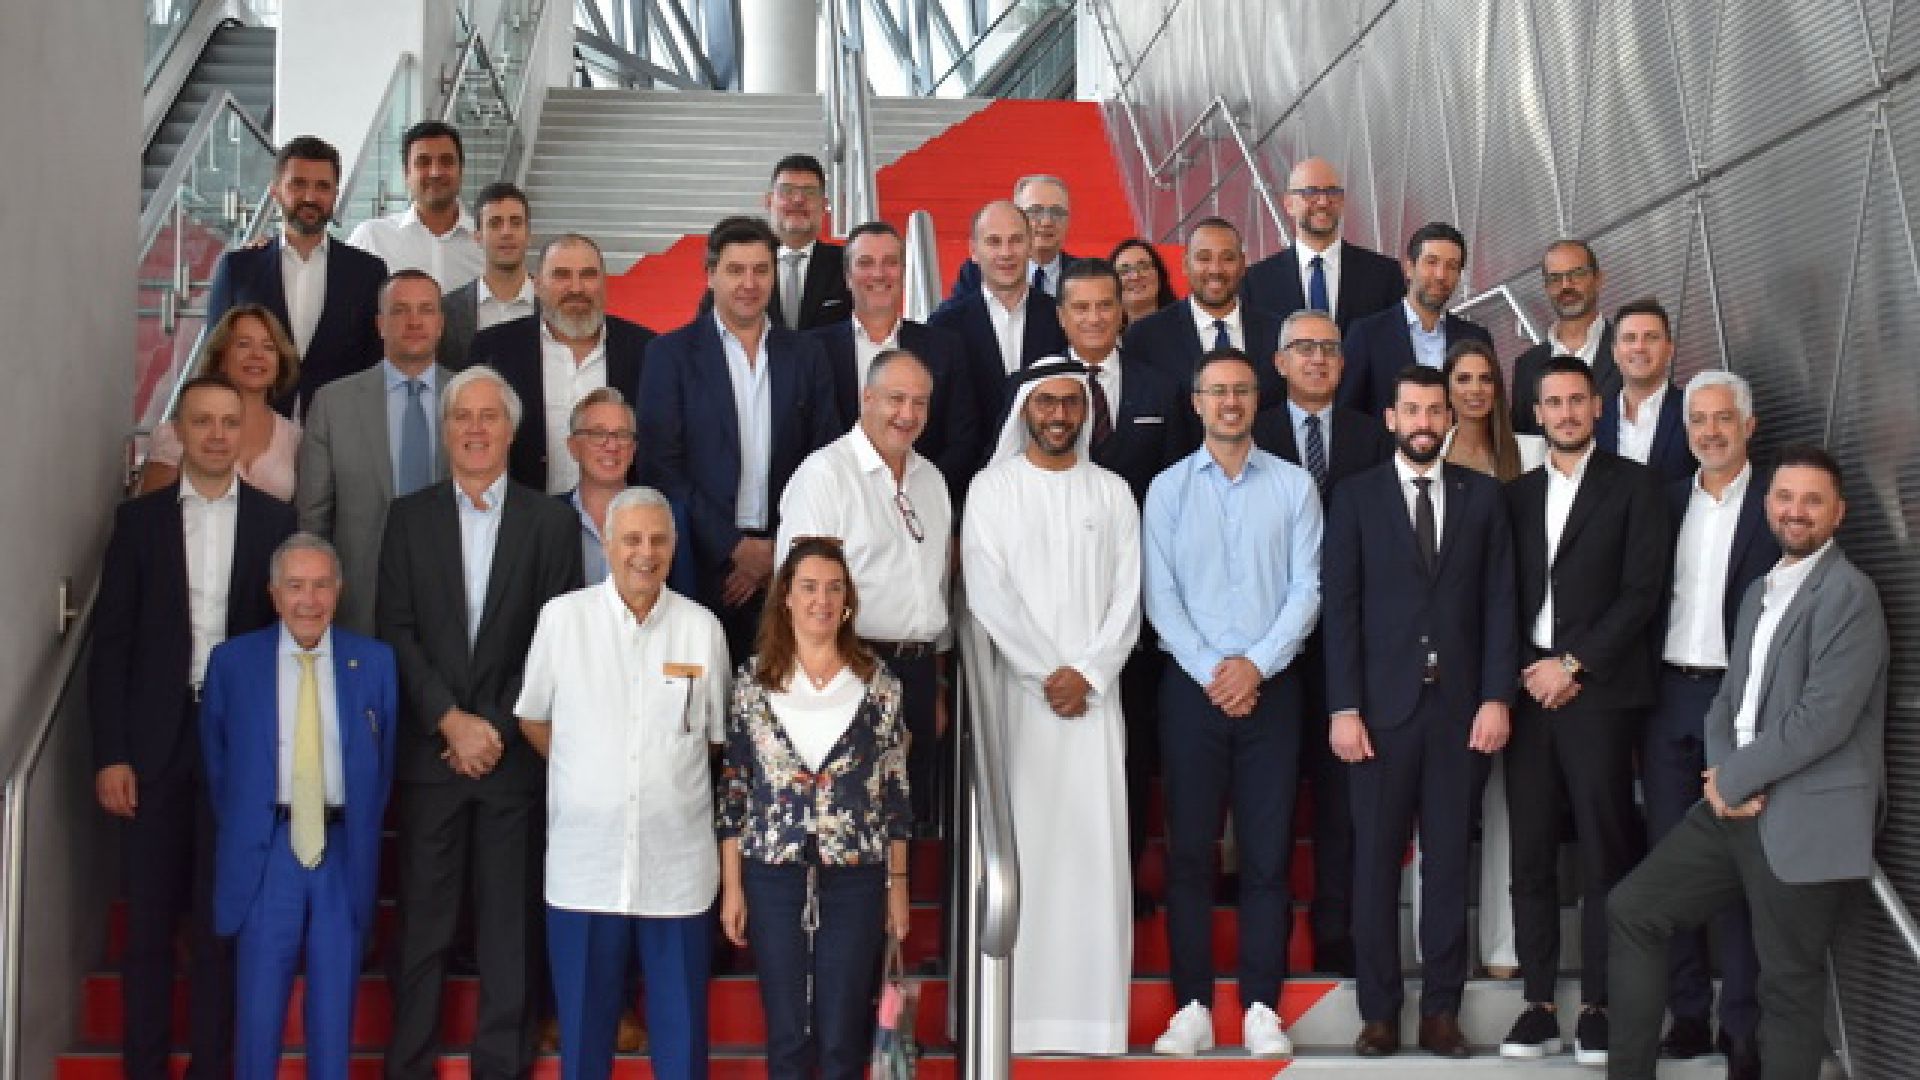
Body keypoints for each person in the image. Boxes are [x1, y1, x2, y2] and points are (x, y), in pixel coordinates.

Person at [1609, 445, 1887, 1080]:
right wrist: (1721, 778)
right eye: (1785, 498)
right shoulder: (1761, 590)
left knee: (1787, 984)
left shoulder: (1850, 595)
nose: (1796, 511)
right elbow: (1728, 701)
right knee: (1634, 910)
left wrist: (1735, 778)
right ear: (1767, 505)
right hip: (1732, 808)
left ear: (1838, 513)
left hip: (1803, 818)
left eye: (1812, 501)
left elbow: (1822, 719)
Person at [377, 365, 583, 1080]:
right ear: (445, 430)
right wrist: (448, 720)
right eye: (462, 416)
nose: (474, 428)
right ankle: (408, 1066)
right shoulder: (408, 518)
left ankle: (502, 1066)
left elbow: (553, 641)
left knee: (508, 931)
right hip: (432, 755)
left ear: (512, 430)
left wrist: (490, 727)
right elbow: (396, 631)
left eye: (489, 416)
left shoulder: (550, 523)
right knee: (421, 929)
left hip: (511, 755)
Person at [91, 376, 297, 1080]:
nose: (215, 434)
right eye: (202, 421)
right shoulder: (138, 523)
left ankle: (213, 1067)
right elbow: (110, 646)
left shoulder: (277, 523)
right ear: (178, 431)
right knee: (148, 925)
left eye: (228, 422)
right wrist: (111, 754)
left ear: (243, 433)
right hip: (153, 741)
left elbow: (289, 648)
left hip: (238, 746)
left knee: (221, 920)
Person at [1321, 365, 1517, 1059]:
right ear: (1392, 419)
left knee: (1448, 868)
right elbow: (1340, 609)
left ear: (1451, 419)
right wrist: (1344, 707)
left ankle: (1441, 1013)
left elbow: (1501, 603)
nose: (1425, 422)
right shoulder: (1354, 497)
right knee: (1375, 865)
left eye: (1436, 410)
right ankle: (1378, 1014)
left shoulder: (1483, 497)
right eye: (1413, 410)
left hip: (1459, 713)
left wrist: (1496, 696)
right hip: (1378, 714)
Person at [517, 487, 730, 1080]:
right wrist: (587, 770)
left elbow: (714, 737)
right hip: (586, 868)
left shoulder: (702, 629)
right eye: (632, 539)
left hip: (676, 871)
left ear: (674, 547)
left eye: (658, 540)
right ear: (607, 545)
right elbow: (533, 717)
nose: (645, 552)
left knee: (682, 1049)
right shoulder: (563, 620)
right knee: (584, 1047)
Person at [1143, 348, 1321, 1060]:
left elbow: (1306, 589)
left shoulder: (1294, 486)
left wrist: (1255, 666)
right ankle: (1190, 1006)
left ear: (1257, 400)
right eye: (1217, 391)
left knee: (1268, 855)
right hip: (1191, 691)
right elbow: (1160, 595)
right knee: (1189, 853)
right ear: (1197, 402)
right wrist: (1215, 672)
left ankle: (1260, 1006)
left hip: (1273, 690)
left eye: (1242, 391)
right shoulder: (1166, 490)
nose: (1229, 403)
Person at [962, 360, 1140, 1054]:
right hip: (1019, 704)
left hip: (1094, 706)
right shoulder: (992, 490)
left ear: (1086, 412)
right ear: (1024, 412)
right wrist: (1046, 674)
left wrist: (1087, 675)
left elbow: (1128, 598)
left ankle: (1093, 1024)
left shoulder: (1113, 492)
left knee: (1093, 858)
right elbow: (988, 595)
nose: (1059, 414)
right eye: (1046, 403)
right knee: (1028, 856)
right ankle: (1019, 1019)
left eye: (1071, 402)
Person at [1500, 354, 1670, 1066]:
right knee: (1531, 852)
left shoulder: (1636, 486)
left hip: (1598, 694)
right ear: (1536, 413)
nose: (1566, 413)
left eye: (1577, 400)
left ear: (1596, 407)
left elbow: (1641, 593)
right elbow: (1500, 595)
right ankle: (1538, 1003)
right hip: (1528, 693)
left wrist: (1571, 666)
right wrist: (1529, 669)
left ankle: (1600, 1005)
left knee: (1606, 851)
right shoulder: (1515, 496)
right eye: (1554, 403)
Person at [200, 533, 397, 1080]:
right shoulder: (233, 663)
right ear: (273, 593)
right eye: (295, 586)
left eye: (320, 585)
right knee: (258, 1018)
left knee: (334, 1020)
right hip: (267, 854)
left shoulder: (374, 662)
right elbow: (219, 764)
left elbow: (381, 768)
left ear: (339, 590)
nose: (308, 600)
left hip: (341, 852)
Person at [718, 536, 912, 1079]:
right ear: (786, 597)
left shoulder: (878, 685)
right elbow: (734, 791)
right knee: (787, 1035)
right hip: (772, 874)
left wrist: (898, 887)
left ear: (847, 600)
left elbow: (896, 795)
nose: (820, 601)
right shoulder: (753, 682)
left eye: (833, 588)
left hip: (855, 876)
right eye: (808, 588)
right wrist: (732, 885)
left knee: (841, 1038)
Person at [1639, 370, 1775, 1072]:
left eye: (1723, 418)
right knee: (1673, 861)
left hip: (1741, 702)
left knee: (1739, 866)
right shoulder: (1665, 503)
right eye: (1698, 420)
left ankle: (1742, 1026)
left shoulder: (1774, 503)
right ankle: (1687, 1013)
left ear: (1748, 426)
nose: (1710, 432)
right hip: (1668, 697)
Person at [1249, 309, 1392, 976]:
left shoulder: (1373, 437)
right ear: (1279, 362)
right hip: (1268, 647)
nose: (1316, 359)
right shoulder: (1251, 433)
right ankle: (1266, 929)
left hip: (1351, 647)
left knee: (1343, 801)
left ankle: (1336, 926)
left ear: (1343, 362)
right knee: (1270, 796)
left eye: (1329, 349)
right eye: (1302, 348)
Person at [637, 215, 842, 661]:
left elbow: (825, 459)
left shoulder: (807, 355)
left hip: (786, 569)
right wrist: (734, 548)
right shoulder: (669, 355)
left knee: (781, 696)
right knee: (699, 692)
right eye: (735, 270)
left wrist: (777, 551)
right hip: (699, 564)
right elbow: (660, 465)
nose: (749, 283)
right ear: (710, 275)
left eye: (761, 270)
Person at [778, 348, 952, 831]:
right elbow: (798, 597)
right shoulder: (824, 475)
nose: (908, 414)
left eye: (920, 402)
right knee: (845, 828)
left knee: (906, 830)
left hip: (917, 674)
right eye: (896, 399)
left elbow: (935, 589)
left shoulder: (932, 481)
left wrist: (936, 688)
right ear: (867, 398)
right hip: (850, 668)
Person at [1434, 336, 1544, 983]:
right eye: (1463, 379)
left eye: (1485, 379)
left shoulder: (1530, 453)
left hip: (1519, 649)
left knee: (1509, 806)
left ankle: (1504, 947)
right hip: (1446, 660)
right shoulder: (1428, 451)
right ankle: (1436, 948)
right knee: (1438, 814)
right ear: (1446, 389)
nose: (1475, 390)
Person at [293, 269, 451, 635]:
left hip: (451, 601)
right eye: (400, 310)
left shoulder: (472, 399)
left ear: (441, 324)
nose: (414, 321)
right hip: (360, 603)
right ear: (380, 324)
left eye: (426, 310)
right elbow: (313, 518)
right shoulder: (333, 403)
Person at [204, 135, 386, 415]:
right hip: (253, 425)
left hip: (341, 424)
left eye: (322, 186)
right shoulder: (237, 269)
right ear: (275, 191)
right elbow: (215, 360)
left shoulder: (368, 273)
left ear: (335, 195)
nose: (310, 197)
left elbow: (374, 365)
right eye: (298, 184)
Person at [468, 232, 657, 492]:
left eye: (588, 275)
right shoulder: (494, 350)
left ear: (604, 283)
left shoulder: (647, 350)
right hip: (524, 513)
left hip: (620, 514)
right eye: (561, 275)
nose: (576, 288)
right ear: (537, 285)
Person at [810, 221, 980, 495]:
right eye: (865, 263)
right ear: (847, 276)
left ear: (903, 271)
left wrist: (915, 493)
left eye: (890, 262)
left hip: (921, 504)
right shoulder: (813, 350)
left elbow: (963, 440)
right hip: (837, 501)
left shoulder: (945, 347)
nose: (878, 274)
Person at [141, 305, 305, 502]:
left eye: (269, 347)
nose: (257, 355)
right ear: (221, 357)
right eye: (244, 344)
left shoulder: (295, 440)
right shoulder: (176, 434)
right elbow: (151, 513)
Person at [928, 200, 1067, 429]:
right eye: (994, 242)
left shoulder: (1060, 318)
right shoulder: (944, 326)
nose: (1006, 253)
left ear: (1030, 245)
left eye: (1016, 240)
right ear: (973, 251)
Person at [1123, 217, 1286, 411]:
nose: (1215, 269)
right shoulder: (1146, 337)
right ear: (1185, 265)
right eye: (1204, 258)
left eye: (1227, 258)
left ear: (1243, 265)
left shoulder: (1278, 332)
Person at [1337, 221, 1493, 419]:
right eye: (1431, 262)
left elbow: (1493, 412)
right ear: (1409, 267)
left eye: (1451, 266)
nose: (1441, 275)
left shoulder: (1476, 338)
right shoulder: (1367, 335)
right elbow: (1347, 415)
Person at [1242, 156, 1405, 330]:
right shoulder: (1257, 281)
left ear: (1342, 201)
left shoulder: (1384, 274)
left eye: (1332, 192)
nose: (1323, 202)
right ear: (1289, 204)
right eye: (1310, 192)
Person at [563, 387, 693, 592]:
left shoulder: (670, 514)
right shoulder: (547, 518)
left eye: (622, 435)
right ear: (573, 447)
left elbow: (684, 599)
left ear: (633, 449)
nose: (612, 446)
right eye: (598, 434)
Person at [346, 120, 483, 293]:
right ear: (406, 173)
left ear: (461, 170)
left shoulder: (487, 244)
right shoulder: (371, 239)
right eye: (423, 162)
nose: (435, 172)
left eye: (446, 161)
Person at [1511, 239, 1620, 437]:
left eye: (1577, 274)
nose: (1566, 285)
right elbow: (1524, 442)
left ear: (1598, 279)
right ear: (1546, 288)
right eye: (1555, 278)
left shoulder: (1628, 350)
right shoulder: (1526, 367)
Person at [438, 181, 536, 368]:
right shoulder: (447, 311)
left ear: (529, 235)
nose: (506, 232)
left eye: (516, 223)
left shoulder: (551, 305)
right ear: (477, 237)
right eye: (495, 224)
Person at [1597, 298, 1695, 484]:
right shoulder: (1594, 419)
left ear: (1669, 349)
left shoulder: (1692, 412)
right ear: (1615, 352)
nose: (1639, 347)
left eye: (1651, 337)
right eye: (1629, 338)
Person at [946, 174, 1078, 300]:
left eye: (1057, 212)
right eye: (1035, 211)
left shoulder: (1084, 274)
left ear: (1068, 220)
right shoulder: (978, 271)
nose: (1046, 222)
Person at [765, 153, 852, 331]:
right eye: (787, 191)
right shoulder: (743, 262)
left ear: (824, 206)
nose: (798, 200)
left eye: (810, 192)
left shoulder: (847, 264)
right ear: (768, 202)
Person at [1109, 237, 1177, 326]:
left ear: (1159, 275)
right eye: (1124, 270)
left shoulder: (1188, 326)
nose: (1135, 276)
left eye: (1143, 267)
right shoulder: (1106, 333)